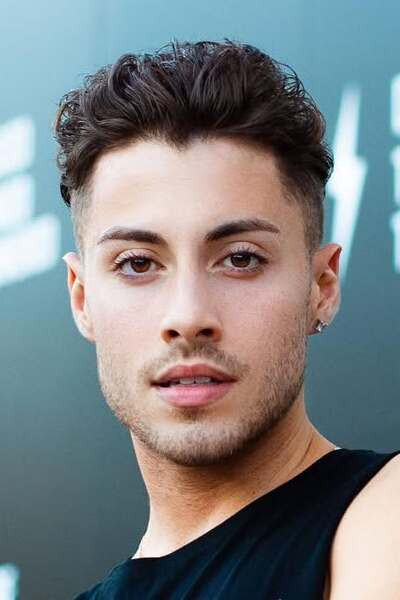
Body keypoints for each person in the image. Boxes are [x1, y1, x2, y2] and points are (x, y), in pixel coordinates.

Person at [55, 39, 400, 599]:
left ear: (321, 287)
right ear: (82, 298)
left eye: (240, 259)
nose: (188, 316)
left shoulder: (386, 515)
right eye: (138, 263)